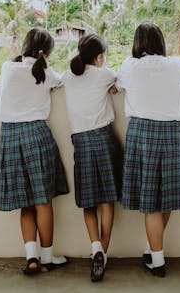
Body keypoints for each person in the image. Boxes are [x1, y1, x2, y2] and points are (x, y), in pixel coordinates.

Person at [116, 23, 180, 277]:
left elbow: (118, 84)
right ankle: (156, 258)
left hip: (141, 132)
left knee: (152, 199)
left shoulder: (129, 66)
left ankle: (153, 253)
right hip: (171, 131)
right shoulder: (176, 65)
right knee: (167, 195)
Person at [0, 29, 70, 275]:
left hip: (10, 136)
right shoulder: (48, 74)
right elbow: (60, 81)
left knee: (24, 201)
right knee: (43, 201)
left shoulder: (8, 68)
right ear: (47, 54)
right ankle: (47, 258)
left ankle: (31, 258)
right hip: (36, 134)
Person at [62, 34, 122, 282]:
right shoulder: (104, 75)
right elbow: (121, 78)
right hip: (104, 139)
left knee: (89, 200)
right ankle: (103, 253)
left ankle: (95, 246)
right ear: (99, 57)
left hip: (81, 141)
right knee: (108, 199)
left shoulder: (67, 76)